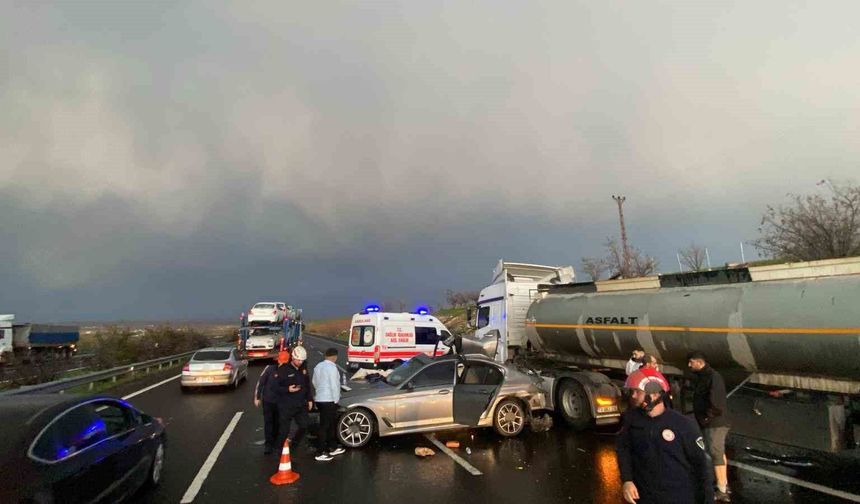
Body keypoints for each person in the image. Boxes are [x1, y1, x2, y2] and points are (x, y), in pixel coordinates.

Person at [616, 369, 714, 504]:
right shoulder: (631, 420)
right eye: (632, 391)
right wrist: (627, 480)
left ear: (655, 394)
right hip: (645, 497)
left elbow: (702, 466)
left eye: (637, 391)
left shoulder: (683, 425)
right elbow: (623, 450)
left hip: (679, 497)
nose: (633, 395)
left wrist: (707, 500)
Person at [688, 351, 731, 502]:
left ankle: (722, 490)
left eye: (691, 362)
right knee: (717, 452)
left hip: (715, 423)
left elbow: (716, 402)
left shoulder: (713, 377)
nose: (689, 365)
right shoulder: (704, 376)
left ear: (699, 362)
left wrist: (707, 417)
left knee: (715, 452)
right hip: (711, 422)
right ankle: (723, 483)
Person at [312, 347, 346, 461]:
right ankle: (320, 452)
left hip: (320, 398)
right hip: (329, 400)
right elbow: (334, 385)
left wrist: (319, 391)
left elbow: (314, 381)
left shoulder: (318, 366)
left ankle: (333, 446)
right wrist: (336, 400)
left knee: (330, 424)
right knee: (325, 426)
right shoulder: (332, 368)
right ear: (335, 357)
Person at [255, 350, 290, 454]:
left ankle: (276, 443)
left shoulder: (288, 371)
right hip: (268, 401)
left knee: (278, 422)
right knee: (268, 423)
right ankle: (269, 445)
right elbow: (261, 382)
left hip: (280, 402)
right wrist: (258, 397)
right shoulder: (270, 369)